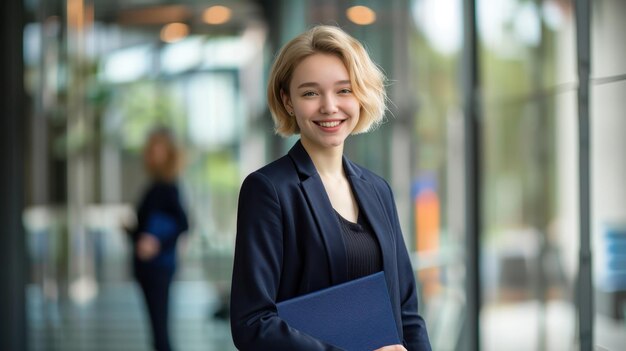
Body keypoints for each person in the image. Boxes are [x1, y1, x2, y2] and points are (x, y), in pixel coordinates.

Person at [230, 25, 431, 351]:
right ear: (288, 101)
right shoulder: (268, 191)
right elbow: (252, 323)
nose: (329, 106)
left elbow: (407, 312)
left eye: (344, 90)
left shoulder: (378, 190)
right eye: (310, 93)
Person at [129, 127, 189, 351]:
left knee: (160, 333)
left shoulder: (167, 187)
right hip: (150, 269)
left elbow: (183, 223)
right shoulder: (156, 185)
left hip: (157, 269)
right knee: (157, 332)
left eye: (157, 148)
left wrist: (156, 243)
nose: (151, 153)